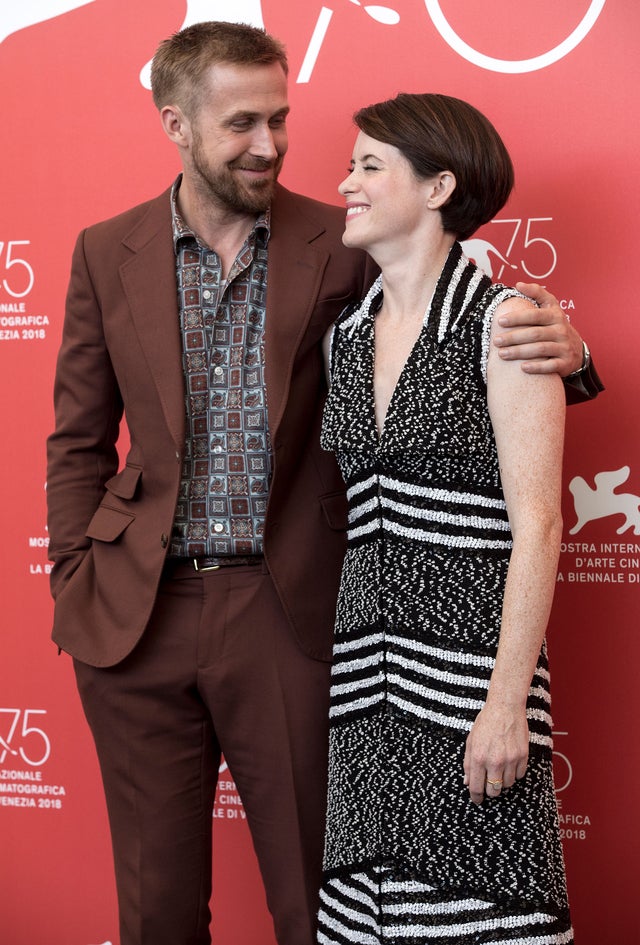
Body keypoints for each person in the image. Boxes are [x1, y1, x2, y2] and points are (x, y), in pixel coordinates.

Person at [46, 22, 598, 945]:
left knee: (319, 903)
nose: (270, 145)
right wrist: (74, 573)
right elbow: (76, 438)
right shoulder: (107, 251)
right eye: (242, 124)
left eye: (281, 119)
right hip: (135, 615)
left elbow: (458, 315)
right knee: (153, 908)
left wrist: (571, 354)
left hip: (288, 609)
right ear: (177, 124)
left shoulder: (343, 244)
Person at [317, 92, 580, 944]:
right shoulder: (345, 338)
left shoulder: (505, 322)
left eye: (368, 165)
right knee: (369, 917)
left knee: (483, 914)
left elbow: (539, 523)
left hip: (471, 680)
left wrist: (509, 699)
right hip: (365, 679)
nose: (345, 182)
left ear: (437, 188)